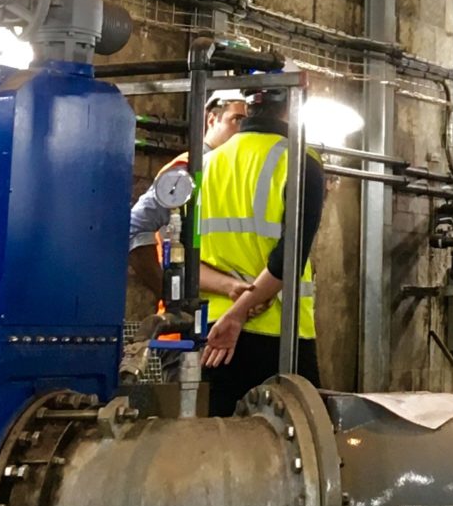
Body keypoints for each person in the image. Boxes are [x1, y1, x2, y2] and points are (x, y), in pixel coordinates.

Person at [194, 91, 328, 416]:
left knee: (218, 439)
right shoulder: (300, 162)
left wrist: (230, 303)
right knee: (303, 437)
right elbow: (289, 258)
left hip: (213, 335)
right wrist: (239, 313)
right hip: (278, 334)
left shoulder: (205, 165)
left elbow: (185, 261)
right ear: (293, 107)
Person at [128, 90, 249, 259]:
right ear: (212, 119)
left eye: (249, 123)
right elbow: (135, 227)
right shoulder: (187, 168)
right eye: (237, 120)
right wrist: (159, 277)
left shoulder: (240, 172)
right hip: (184, 273)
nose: (244, 130)